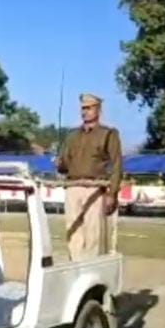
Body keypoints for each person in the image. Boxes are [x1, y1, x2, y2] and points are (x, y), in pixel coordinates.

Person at [55, 93, 124, 261]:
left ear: (98, 109)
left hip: (95, 187)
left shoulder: (108, 134)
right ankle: (75, 264)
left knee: (93, 232)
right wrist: (59, 163)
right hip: (73, 186)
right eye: (83, 108)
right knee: (72, 229)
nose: (85, 112)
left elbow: (116, 165)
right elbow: (64, 165)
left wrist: (112, 193)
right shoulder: (71, 135)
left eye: (89, 108)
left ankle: (89, 268)